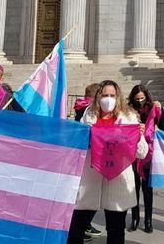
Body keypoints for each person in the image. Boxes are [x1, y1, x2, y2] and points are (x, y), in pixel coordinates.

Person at [68, 80, 148, 244]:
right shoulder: (88, 114)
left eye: (112, 95)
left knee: (116, 230)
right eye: (105, 95)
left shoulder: (129, 117)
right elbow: (79, 144)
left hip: (117, 180)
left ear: (118, 97)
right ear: (98, 96)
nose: (108, 99)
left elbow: (141, 153)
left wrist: (139, 136)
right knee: (76, 228)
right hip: (90, 179)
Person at [127, 84, 164, 233]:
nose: (140, 101)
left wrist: (160, 110)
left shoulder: (152, 108)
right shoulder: (128, 110)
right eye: (137, 99)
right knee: (134, 188)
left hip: (149, 153)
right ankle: (135, 218)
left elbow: (163, 125)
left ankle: (148, 220)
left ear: (146, 97)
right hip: (132, 153)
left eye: (142, 98)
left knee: (147, 189)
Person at [73, 83, 103, 240]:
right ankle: (83, 228)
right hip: (87, 157)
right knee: (84, 202)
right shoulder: (86, 111)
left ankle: (83, 227)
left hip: (91, 158)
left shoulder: (80, 106)